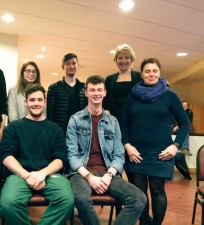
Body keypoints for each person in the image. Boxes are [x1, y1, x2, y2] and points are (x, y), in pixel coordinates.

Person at [66, 75, 146, 225]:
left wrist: (109, 175)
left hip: (108, 173)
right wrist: (90, 177)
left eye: (99, 90)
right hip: (81, 173)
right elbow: (72, 154)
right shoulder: (75, 120)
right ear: (86, 93)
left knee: (139, 198)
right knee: (81, 199)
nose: (96, 93)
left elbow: (119, 155)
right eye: (92, 90)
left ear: (105, 93)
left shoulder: (112, 121)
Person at [121, 58, 190, 225]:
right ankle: (144, 223)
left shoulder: (170, 96)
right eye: (147, 71)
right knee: (139, 193)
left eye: (155, 71)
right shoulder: (131, 97)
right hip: (135, 153)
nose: (151, 74)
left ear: (159, 73)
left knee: (157, 190)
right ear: (142, 74)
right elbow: (123, 124)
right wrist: (127, 145)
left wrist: (175, 146)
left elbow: (185, 123)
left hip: (161, 153)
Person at [0, 84, 74, 225]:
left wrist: (42, 174)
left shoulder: (55, 129)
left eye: (40, 100)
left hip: (49, 175)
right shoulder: (14, 127)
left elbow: (60, 158)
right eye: (32, 100)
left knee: (67, 200)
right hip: (19, 175)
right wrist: (28, 176)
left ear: (45, 102)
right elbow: (6, 155)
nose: (36, 103)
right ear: (26, 102)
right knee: (8, 204)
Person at [47, 53, 85, 133]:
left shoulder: (84, 88)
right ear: (63, 67)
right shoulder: (54, 88)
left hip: (80, 132)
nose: (71, 66)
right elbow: (50, 114)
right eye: (68, 63)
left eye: (74, 63)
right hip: (61, 133)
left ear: (78, 65)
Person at [103, 44, 141, 121]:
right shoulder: (109, 79)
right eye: (120, 58)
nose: (123, 61)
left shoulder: (139, 77)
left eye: (126, 57)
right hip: (114, 121)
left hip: (135, 120)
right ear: (116, 60)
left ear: (131, 59)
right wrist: (106, 111)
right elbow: (105, 100)